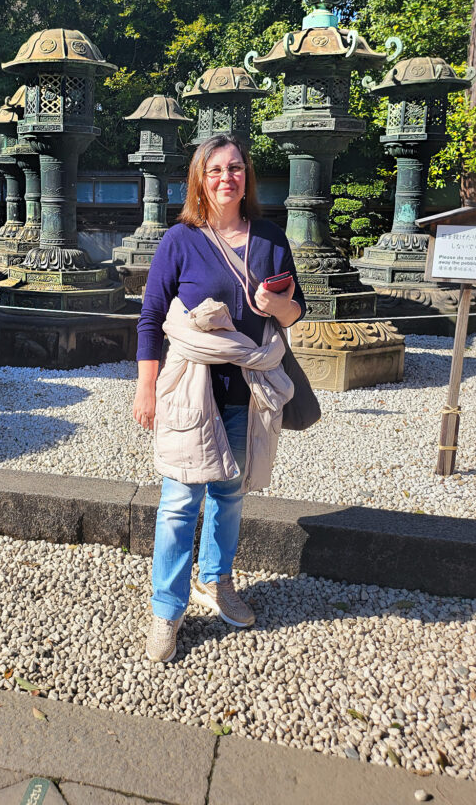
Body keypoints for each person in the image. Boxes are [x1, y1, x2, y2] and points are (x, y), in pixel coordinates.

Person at [133, 133, 306, 663]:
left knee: (231, 493)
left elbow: (297, 315)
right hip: (189, 389)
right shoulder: (179, 241)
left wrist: (275, 304)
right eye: (215, 170)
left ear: (246, 176)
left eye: (235, 168)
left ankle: (216, 580)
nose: (227, 178)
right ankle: (167, 607)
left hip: (246, 390)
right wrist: (146, 387)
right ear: (199, 180)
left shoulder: (272, 238)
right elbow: (150, 318)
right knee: (180, 503)